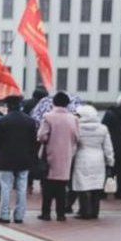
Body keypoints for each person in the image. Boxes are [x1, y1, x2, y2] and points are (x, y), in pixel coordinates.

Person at [38, 91, 80, 221]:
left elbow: (41, 136)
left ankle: (46, 213)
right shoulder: (74, 118)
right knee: (62, 186)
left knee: (48, 186)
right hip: (66, 154)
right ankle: (61, 214)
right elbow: (77, 137)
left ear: (54, 102)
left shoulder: (48, 116)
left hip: (50, 154)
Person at [0, 96, 37, 224]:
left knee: (5, 187)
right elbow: (33, 142)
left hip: (6, 158)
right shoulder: (30, 121)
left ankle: (4, 214)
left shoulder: (2, 121)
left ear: (8, 106)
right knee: (22, 187)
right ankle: (19, 215)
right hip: (24, 158)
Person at [72, 105, 115, 220]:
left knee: (83, 185)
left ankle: (84, 211)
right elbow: (108, 147)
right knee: (96, 185)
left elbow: (74, 147)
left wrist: (70, 157)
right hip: (98, 158)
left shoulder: (77, 128)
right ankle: (95, 211)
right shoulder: (103, 128)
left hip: (82, 157)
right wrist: (110, 161)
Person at [102, 94, 121, 200]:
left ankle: (102, 192)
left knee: (109, 168)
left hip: (111, 143)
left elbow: (103, 127)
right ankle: (120, 192)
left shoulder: (110, 113)